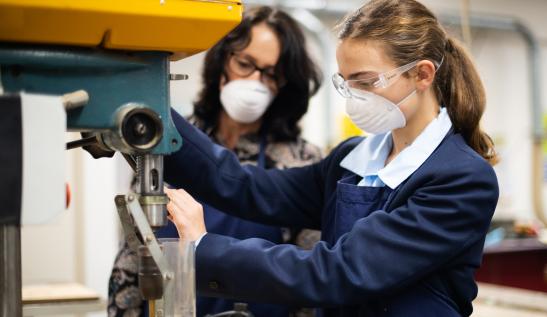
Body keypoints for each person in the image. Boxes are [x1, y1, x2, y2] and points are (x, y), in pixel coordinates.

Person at [163, 0, 500, 316]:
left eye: (366, 81)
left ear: (423, 74)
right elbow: (248, 187)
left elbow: (340, 272)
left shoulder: (461, 179)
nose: (354, 98)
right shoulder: (352, 160)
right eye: (347, 83)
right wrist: (156, 115)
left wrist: (204, 247)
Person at [107, 6, 322, 317]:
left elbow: (310, 282)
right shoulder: (166, 143)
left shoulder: (302, 161)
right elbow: (133, 255)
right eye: (245, 64)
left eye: (271, 74)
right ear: (222, 61)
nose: (255, 82)